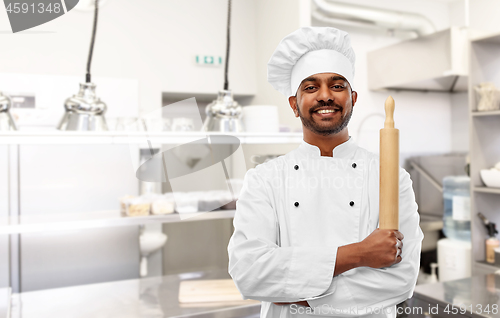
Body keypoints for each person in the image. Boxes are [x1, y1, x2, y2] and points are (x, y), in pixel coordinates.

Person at [227, 27, 424, 318]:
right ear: (294, 105)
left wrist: (301, 297)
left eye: (337, 85)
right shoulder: (264, 180)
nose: (324, 96)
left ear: (353, 98)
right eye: (310, 87)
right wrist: (359, 254)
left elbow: (401, 279)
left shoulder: (390, 177)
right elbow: (249, 272)